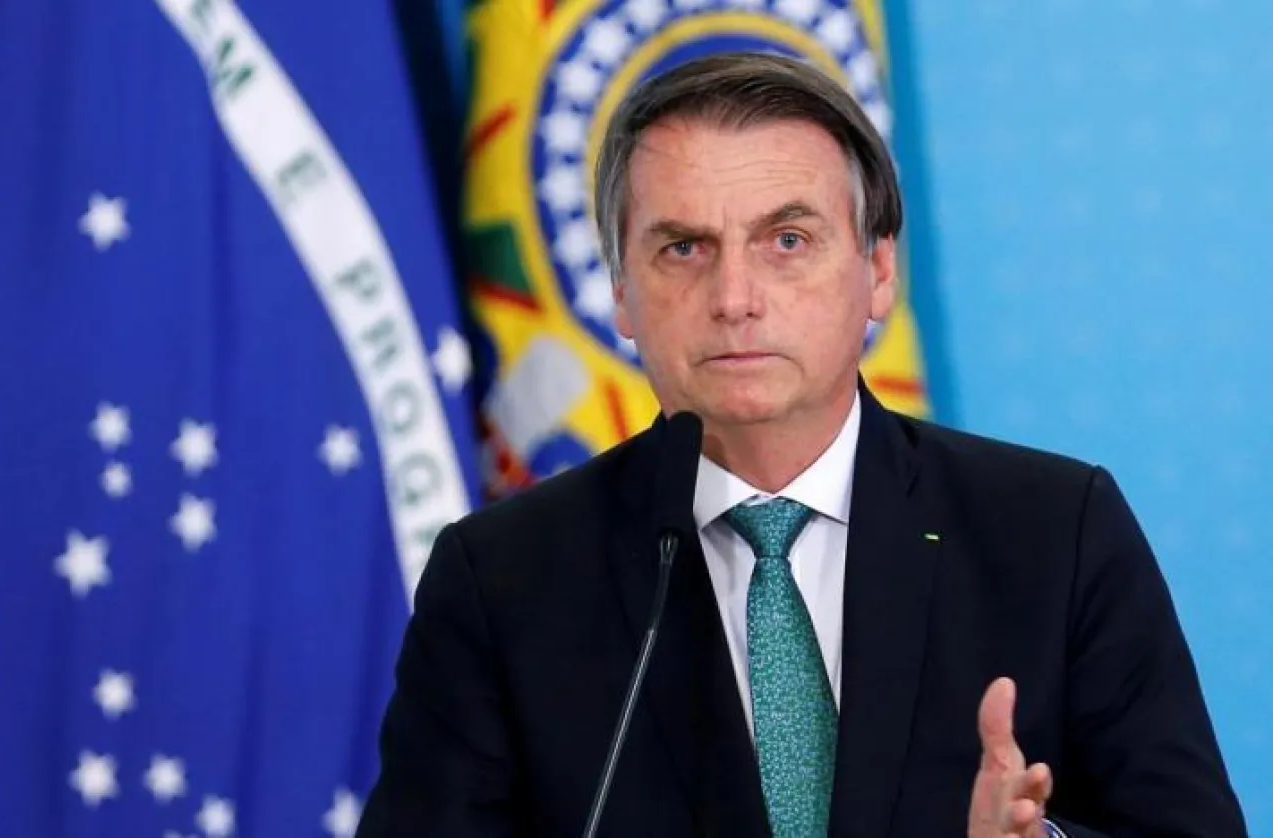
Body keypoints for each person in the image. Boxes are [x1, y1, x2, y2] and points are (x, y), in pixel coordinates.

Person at [355, 52, 1246, 837]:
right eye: (684, 249)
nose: (734, 297)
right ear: (620, 291)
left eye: (787, 240)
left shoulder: (1053, 532)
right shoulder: (504, 580)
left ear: (879, 271)